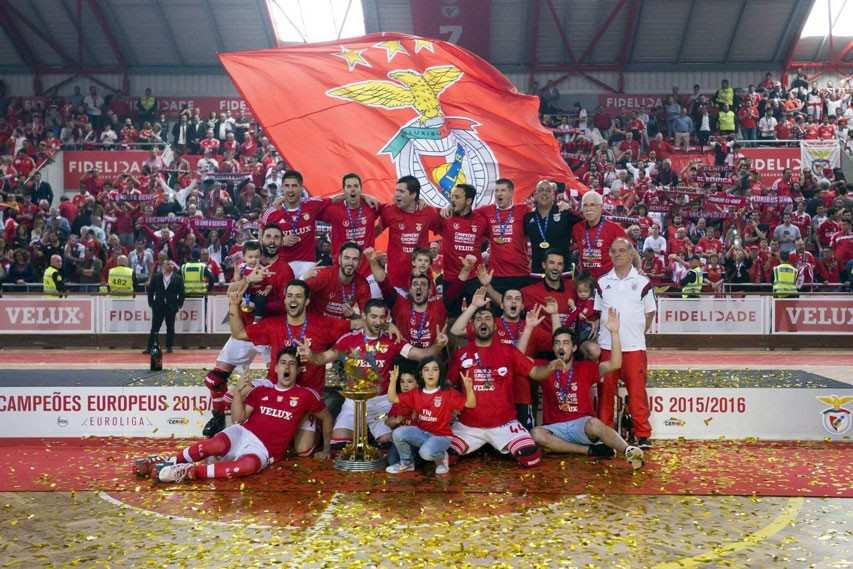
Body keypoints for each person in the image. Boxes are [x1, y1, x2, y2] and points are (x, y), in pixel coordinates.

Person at [136, 347, 333, 483]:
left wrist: (326, 449)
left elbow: (326, 418)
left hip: (264, 450)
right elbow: (239, 419)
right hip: (243, 433)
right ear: (275, 368)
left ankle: (191, 472)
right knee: (214, 445)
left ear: (298, 370)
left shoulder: (306, 395)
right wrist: (238, 393)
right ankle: (168, 461)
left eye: (291, 364)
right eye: (283, 363)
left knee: (247, 467)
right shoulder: (262, 391)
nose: (287, 367)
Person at [298, 299, 446, 452]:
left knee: (390, 447)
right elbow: (321, 359)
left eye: (382, 317)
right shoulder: (349, 339)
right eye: (373, 316)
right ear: (364, 316)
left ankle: (373, 434)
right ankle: (364, 434)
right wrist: (310, 355)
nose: (378, 321)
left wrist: (438, 345)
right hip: (353, 405)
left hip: (381, 407)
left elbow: (421, 354)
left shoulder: (392, 340)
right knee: (339, 448)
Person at [446, 306, 566, 468]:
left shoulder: (509, 351)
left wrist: (550, 367)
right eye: (479, 319)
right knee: (444, 457)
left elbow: (535, 372)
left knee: (531, 458)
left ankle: (494, 446)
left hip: (504, 424)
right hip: (468, 425)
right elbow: (448, 384)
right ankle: (479, 446)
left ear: (495, 326)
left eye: (488, 318)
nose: (483, 322)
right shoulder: (461, 354)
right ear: (472, 326)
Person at [522, 316, 644, 470]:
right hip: (555, 428)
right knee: (536, 434)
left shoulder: (586, 367)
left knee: (595, 423)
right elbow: (517, 360)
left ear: (573, 348)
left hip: (582, 426)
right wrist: (528, 328)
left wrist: (614, 332)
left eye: (566, 343)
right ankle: (588, 450)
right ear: (553, 348)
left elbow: (615, 363)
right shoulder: (544, 367)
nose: (561, 347)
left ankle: (629, 451)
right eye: (557, 343)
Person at [451, 287, 550, 430]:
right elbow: (456, 330)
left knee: (522, 441)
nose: (513, 302)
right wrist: (473, 306)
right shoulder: (490, 323)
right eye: (509, 298)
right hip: (494, 396)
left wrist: (546, 319)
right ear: (502, 305)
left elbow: (558, 343)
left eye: (517, 299)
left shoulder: (532, 324)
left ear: (522, 306)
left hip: (521, 393)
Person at [595, 238, 656, 449]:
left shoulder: (643, 282)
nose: (618, 254)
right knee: (605, 394)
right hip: (607, 347)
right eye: (614, 251)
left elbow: (650, 314)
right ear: (609, 255)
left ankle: (642, 435)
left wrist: (635, 333)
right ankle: (604, 434)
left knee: (637, 392)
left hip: (634, 348)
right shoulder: (602, 282)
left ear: (631, 254)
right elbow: (597, 313)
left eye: (622, 251)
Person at [385, 358, 476, 475]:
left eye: (435, 369)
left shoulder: (448, 393)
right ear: (421, 374)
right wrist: (393, 381)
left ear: (440, 373)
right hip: (422, 433)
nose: (430, 373)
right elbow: (393, 398)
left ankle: (441, 457)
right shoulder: (416, 392)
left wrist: (469, 388)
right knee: (398, 433)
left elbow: (471, 404)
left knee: (425, 453)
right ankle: (407, 463)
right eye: (426, 370)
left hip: (441, 436)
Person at [260, 170, 328, 278]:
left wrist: (363, 196)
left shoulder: (312, 205)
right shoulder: (271, 213)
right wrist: (281, 241)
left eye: (294, 186)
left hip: (307, 263)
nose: (290, 190)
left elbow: (335, 199)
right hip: (282, 263)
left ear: (301, 188)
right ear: (282, 187)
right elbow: (262, 241)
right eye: (287, 186)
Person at [378, 175, 442, 290]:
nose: (396, 194)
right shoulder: (389, 211)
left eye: (401, 191)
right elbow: (372, 233)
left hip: (421, 280)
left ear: (413, 195)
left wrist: (437, 249)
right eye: (396, 190)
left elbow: (446, 230)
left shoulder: (428, 212)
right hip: (396, 281)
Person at [523, 180, 582, 273]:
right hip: (537, 273)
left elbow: (585, 222)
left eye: (548, 190)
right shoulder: (528, 218)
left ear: (554, 196)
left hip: (562, 273)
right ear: (534, 195)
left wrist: (571, 210)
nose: (544, 193)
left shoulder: (564, 213)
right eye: (541, 190)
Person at [305, 242, 371, 320]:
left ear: (360, 263)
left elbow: (367, 320)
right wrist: (303, 278)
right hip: (315, 323)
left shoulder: (362, 284)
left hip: (338, 327)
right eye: (346, 258)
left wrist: (353, 316)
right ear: (339, 260)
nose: (350, 263)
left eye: (355, 259)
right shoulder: (324, 275)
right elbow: (297, 292)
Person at [572, 191, 627, 278]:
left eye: (592, 205)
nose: (588, 208)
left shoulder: (615, 229)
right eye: (585, 205)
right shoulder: (577, 228)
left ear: (601, 207)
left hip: (609, 281)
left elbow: (632, 253)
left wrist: (638, 270)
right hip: (586, 282)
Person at [146, 254, 185, 354]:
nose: (170, 266)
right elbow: (151, 290)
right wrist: (151, 302)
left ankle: (169, 346)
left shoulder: (178, 278)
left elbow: (181, 292)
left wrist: (179, 304)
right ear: (163, 266)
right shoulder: (156, 276)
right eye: (168, 264)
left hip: (171, 306)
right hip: (158, 305)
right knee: (155, 327)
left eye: (171, 264)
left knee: (170, 327)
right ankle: (151, 346)